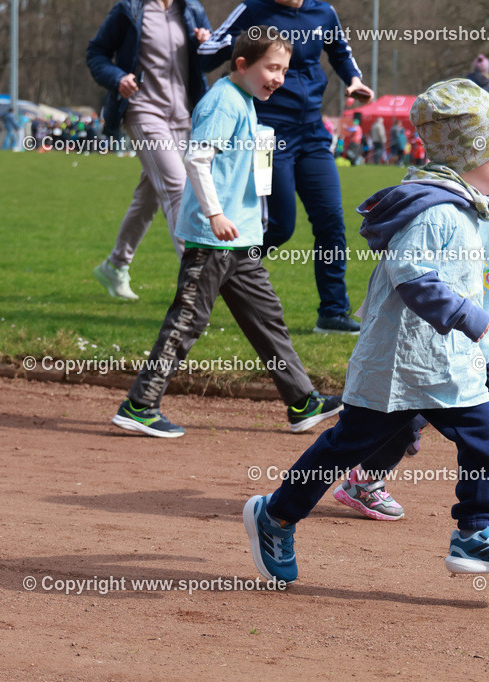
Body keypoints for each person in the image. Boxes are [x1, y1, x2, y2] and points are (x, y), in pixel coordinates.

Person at [243, 79, 489, 582]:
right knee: (345, 446)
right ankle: (275, 515)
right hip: (399, 365)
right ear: (472, 154)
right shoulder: (437, 211)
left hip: (444, 364)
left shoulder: (465, 207)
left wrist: (480, 338)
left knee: (485, 433)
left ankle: (474, 533)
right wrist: (471, 318)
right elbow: (413, 275)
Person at [111, 30, 342, 439]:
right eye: (272, 68)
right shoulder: (223, 102)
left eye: (284, 70)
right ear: (241, 65)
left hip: (240, 239)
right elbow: (197, 159)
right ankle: (140, 405)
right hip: (213, 238)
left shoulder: (245, 101)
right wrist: (215, 214)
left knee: (267, 319)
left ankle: (301, 401)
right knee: (187, 321)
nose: (279, 78)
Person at [330, 120, 489, 521]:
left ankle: (387, 450)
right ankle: (363, 482)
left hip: (471, 335)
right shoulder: (455, 208)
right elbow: (416, 273)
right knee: (410, 415)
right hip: (430, 338)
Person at [200, 0, 375, 335]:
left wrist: (353, 79)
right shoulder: (253, 10)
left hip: (312, 133)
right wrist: (212, 41)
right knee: (279, 226)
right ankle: (214, 272)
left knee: (331, 221)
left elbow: (340, 50)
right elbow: (208, 53)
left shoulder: (323, 13)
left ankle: (333, 312)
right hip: (266, 133)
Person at [87, 0, 212, 301]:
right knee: (177, 186)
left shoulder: (191, 9)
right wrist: (118, 78)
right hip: (142, 110)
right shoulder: (129, 9)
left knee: (149, 195)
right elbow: (96, 53)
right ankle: (196, 280)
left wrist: (208, 45)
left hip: (182, 115)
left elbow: (211, 59)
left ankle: (115, 264)